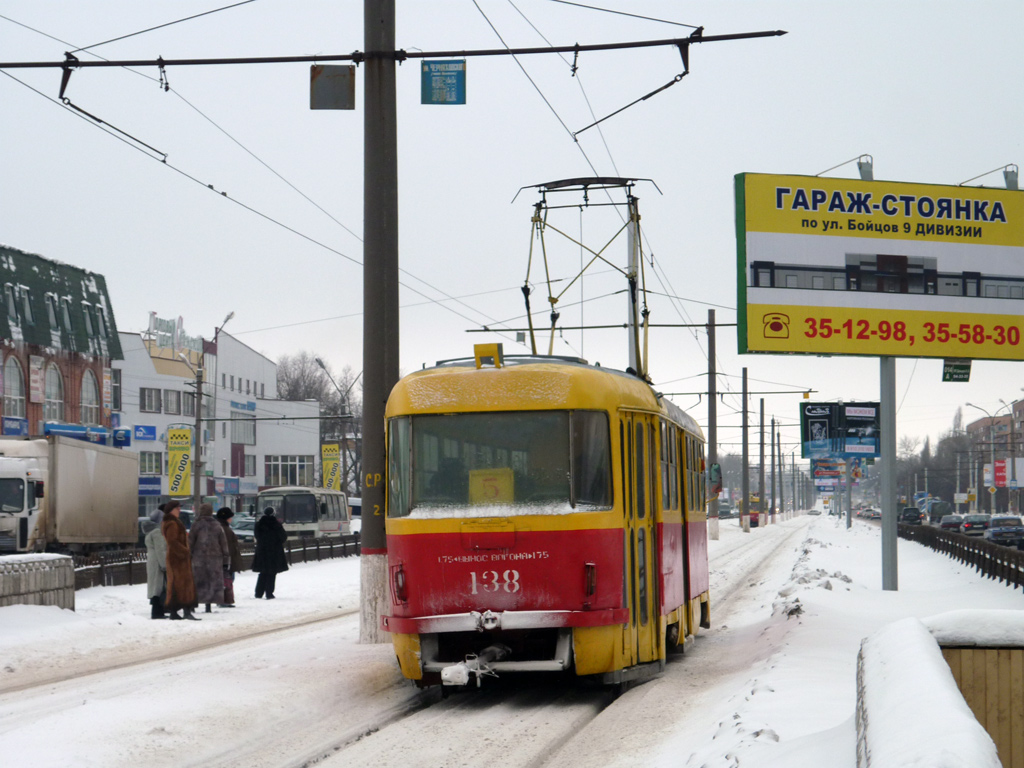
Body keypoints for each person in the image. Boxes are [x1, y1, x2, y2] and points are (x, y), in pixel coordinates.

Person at [162, 500, 200, 620]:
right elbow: (172, 541)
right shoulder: (172, 524)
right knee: (182, 584)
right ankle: (186, 611)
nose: (179, 510)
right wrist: (185, 552)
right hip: (178, 559)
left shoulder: (172, 522)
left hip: (177, 558)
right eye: (177, 508)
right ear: (171, 510)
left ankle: (175, 612)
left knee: (177, 585)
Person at [188, 503, 229, 613]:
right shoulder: (216, 525)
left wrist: (189, 555)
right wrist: (226, 558)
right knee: (212, 581)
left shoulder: (196, 525)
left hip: (198, 558)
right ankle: (208, 605)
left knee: (198, 581)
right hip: (215, 558)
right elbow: (223, 543)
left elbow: (190, 542)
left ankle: (193, 604)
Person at [253, 506, 288, 599]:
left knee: (262, 572)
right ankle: (269, 593)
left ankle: (258, 592)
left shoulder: (259, 524)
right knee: (272, 572)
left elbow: (257, 536)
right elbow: (283, 537)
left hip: (262, 551)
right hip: (274, 552)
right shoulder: (277, 524)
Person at [215, 507, 243, 607]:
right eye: (230, 517)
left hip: (229, 558)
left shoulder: (224, 527)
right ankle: (223, 600)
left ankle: (225, 600)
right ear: (225, 518)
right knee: (226, 579)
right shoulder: (223, 528)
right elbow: (226, 545)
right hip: (227, 559)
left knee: (228, 579)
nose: (231, 519)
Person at [144, 505, 167, 620]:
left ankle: (158, 612)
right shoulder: (157, 532)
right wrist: (164, 565)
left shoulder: (149, 531)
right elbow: (160, 549)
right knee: (158, 588)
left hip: (152, 561)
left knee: (154, 587)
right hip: (158, 562)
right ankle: (157, 613)